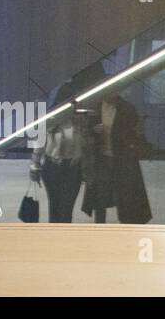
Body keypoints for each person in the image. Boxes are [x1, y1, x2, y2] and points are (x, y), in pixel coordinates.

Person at [78, 92, 152, 224]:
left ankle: (124, 223)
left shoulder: (126, 109)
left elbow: (134, 133)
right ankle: (100, 225)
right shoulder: (95, 107)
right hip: (102, 159)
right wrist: (94, 131)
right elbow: (86, 131)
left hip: (122, 159)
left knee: (124, 196)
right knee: (100, 196)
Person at [28, 81, 83, 222]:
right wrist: (35, 166)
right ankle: (54, 239)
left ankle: (63, 240)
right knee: (55, 206)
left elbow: (86, 145)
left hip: (73, 168)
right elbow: (39, 144)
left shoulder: (80, 120)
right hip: (53, 167)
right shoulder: (50, 120)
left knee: (67, 208)